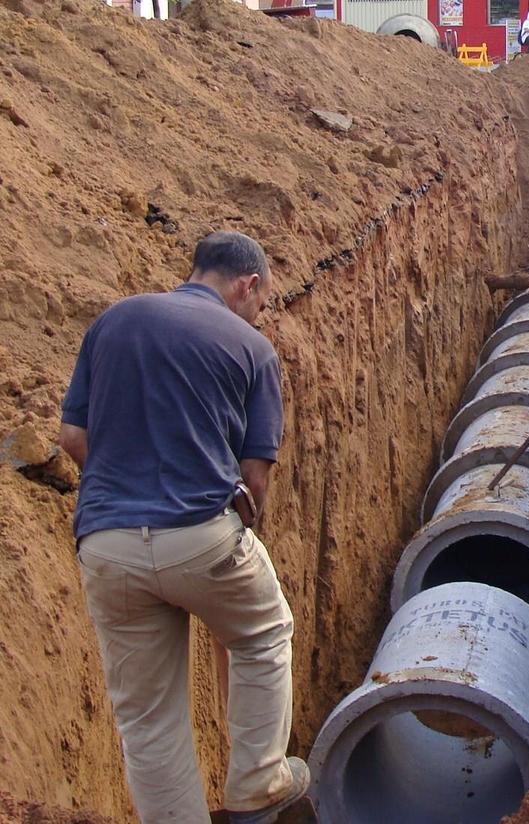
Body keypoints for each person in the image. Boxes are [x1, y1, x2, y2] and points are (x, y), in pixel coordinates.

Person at [59, 231, 307, 824]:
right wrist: (237, 532)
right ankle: (258, 783)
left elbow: (72, 438)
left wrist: (122, 489)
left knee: (146, 718)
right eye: (263, 302)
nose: (260, 313)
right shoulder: (251, 347)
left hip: (108, 544)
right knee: (264, 632)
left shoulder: (114, 321)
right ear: (248, 285)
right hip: (202, 533)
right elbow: (255, 474)